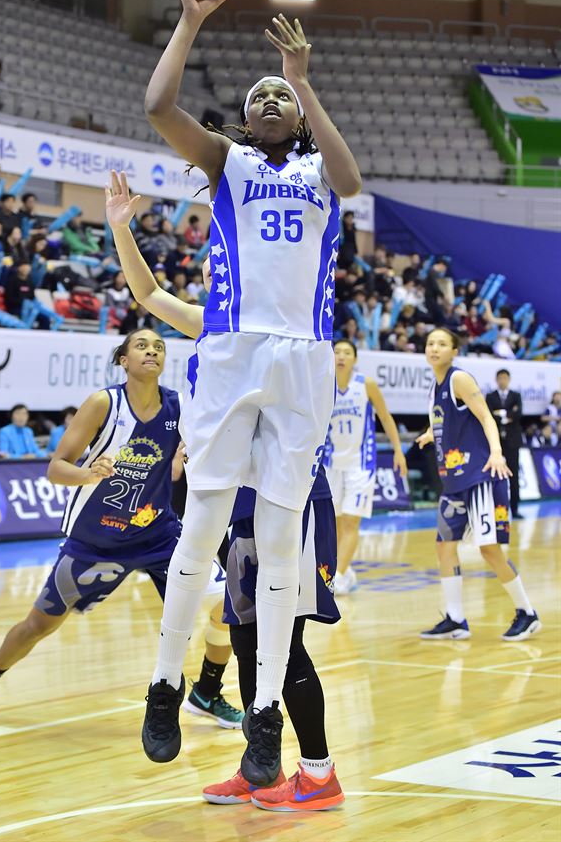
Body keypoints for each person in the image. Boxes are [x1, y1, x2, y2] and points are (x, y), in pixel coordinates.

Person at [118, 0, 360, 788]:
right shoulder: (229, 164)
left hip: (302, 357)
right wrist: (189, 19)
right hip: (229, 348)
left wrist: (304, 80)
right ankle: (163, 684)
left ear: (295, 116)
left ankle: (262, 716)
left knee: (283, 539)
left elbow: (354, 176)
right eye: (256, 94)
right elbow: (156, 107)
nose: (266, 101)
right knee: (203, 526)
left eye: (278, 98)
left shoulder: (320, 175)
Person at [107, 194, 345, 811]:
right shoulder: (210, 322)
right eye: (216, 263)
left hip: (291, 502)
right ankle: (257, 761)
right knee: (242, 638)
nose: (222, 267)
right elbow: (148, 293)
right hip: (232, 505)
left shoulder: (287, 328)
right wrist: (121, 229)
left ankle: (318, 772)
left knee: (285, 640)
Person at [0, 330, 242, 731]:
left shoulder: (179, 406)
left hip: (158, 535)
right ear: (123, 359)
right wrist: (87, 474)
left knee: (230, 603)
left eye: (159, 346)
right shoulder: (104, 403)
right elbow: (56, 467)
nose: (151, 350)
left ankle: (206, 691)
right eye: (141, 345)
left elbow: (182, 461)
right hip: (96, 541)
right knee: (39, 625)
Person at [417, 329, 540, 642]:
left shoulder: (460, 379)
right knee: (444, 546)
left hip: (479, 476)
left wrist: (497, 453)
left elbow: (486, 417)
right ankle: (455, 618)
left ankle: (527, 612)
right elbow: (444, 419)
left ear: (454, 351)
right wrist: (432, 434)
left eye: (442, 344)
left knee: (489, 550)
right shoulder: (435, 386)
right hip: (454, 481)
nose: (434, 348)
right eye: (430, 343)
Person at [325, 340, 407, 594]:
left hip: (361, 464)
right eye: (337, 352)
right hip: (331, 463)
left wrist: (397, 450)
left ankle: (337, 577)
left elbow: (385, 417)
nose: (341, 356)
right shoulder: (324, 384)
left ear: (355, 359)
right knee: (336, 524)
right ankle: (346, 570)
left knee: (351, 522)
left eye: (347, 353)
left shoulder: (366, 384)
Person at [486, 369, 523, 519]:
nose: (502, 381)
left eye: (505, 378)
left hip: (512, 442)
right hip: (496, 443)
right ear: (496, 380)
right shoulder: (490, 396)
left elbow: (518, 414)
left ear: (508, 379)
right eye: (500, 378)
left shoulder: (516, 396)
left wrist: (500, 413)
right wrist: (508, 414)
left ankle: (515, 509)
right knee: (493, 476)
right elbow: (488, 415)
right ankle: (493, 510)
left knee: (513, 476)